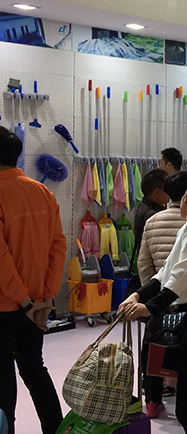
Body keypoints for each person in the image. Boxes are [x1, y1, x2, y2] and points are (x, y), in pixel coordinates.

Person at [119, 178, 187, 434]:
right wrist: (137, 296)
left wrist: (151, 307)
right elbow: (166, 272)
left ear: (186, 198)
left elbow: (181, 273)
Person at [0, 126, 65, 434]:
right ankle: (56, 429)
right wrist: (45, 298)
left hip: (7, 306)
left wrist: (24, 301)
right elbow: (58, 246)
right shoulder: (42, 192)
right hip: (36, 305)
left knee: (3, 379)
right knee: (34, 369)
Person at [136, 171, 187, 417]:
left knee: (154, 346)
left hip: (159, 296)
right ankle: (186, 405)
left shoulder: (153, 220)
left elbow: (143, 263)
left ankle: (152, 401)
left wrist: (153, 294)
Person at [133, 169, 170, 268]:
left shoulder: (145, 208)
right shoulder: (151, 215)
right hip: (155, 269)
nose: (170, 193)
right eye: (167, 190)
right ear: (157, 192)